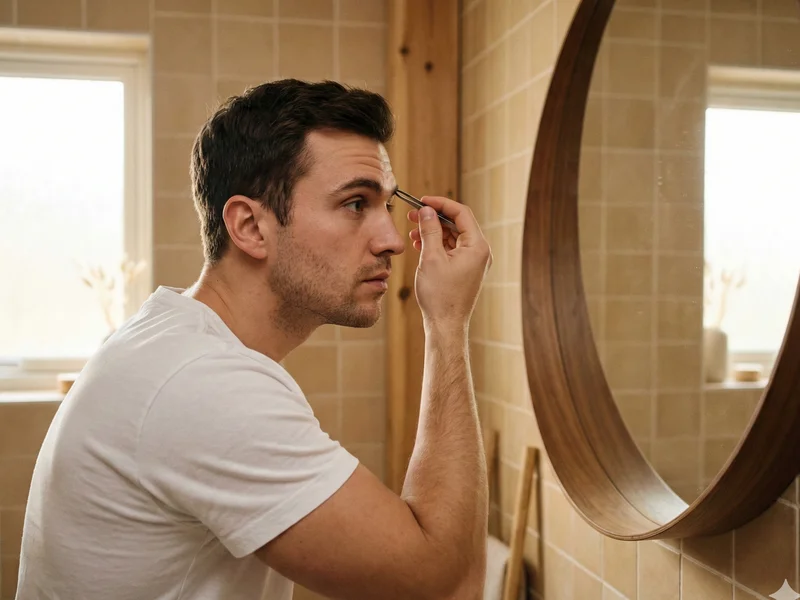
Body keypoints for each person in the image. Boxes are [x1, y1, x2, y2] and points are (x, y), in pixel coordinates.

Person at [16, 79, 493, 600]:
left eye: (387, 206)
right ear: (249, 226)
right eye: (356, 204)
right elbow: (448, 587)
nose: (393, 241)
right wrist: (447, 323)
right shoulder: (203, 384)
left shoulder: (169, 340)